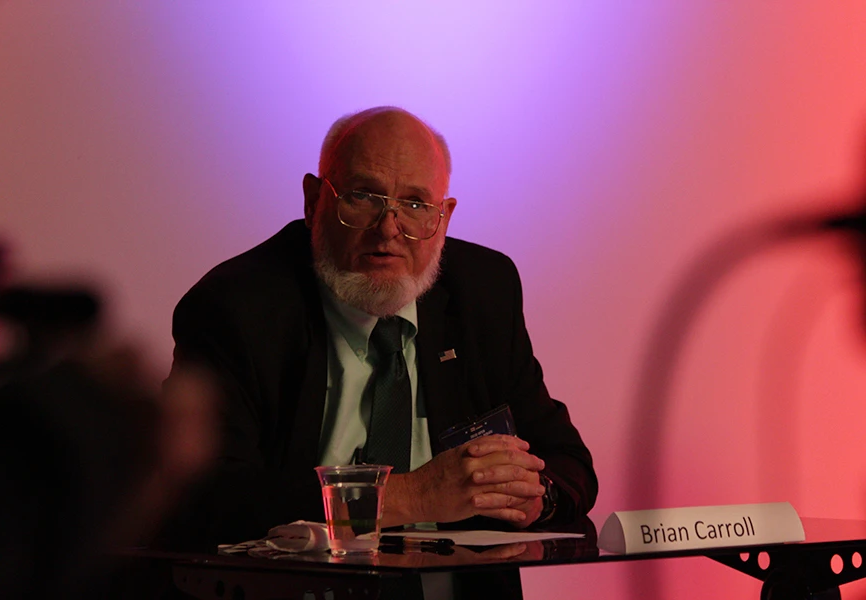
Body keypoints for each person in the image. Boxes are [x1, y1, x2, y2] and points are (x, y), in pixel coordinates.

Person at [164, 107, 597, 552]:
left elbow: (569, 465)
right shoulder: (237, 308)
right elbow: (204, 498)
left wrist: (532, 497)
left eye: (414, 204)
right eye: (363, 196)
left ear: (443, 218)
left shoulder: (483, 292)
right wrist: (411, 497)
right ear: (314, 201)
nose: (388, 229)